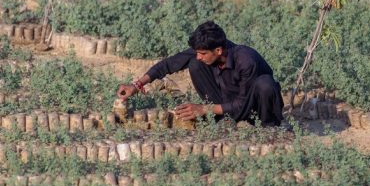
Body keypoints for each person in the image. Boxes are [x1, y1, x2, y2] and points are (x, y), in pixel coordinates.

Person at [117, 21, 284, 127]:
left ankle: (269, 127)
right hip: (225, 107)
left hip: (253, 109)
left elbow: (242, 104)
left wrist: (204, 109)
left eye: (203, 53)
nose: (199, 55)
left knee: (265, 84)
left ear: (218, 50)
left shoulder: (246, 60)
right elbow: (168, 64)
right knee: (195, 64)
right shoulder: (207, 51)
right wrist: (136, 86)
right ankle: (222, 120)